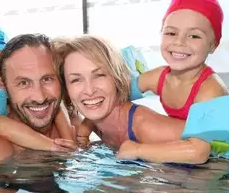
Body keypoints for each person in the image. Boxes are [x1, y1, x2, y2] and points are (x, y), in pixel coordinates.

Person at [75, 0, 229, 146]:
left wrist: (137, 150)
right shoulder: (159, 77)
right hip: (185, 142)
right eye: (171, 33)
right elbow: (114, 96)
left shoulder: (209, 91)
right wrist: (87, 125)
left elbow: (199, 149)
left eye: (194, 36)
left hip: (220, 155)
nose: (179, 42)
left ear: (213, 45)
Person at [53, 34, 213, 164]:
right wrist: (82, 139)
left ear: (117, 78)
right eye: (76, 80)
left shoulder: (145, 126)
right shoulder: (97, 119)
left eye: (99, 75)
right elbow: (88, 122)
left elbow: (210, 146)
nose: (89, 90)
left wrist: (138, 150)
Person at [0, 24, 78, 164]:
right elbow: (6, 128)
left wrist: (69, 140)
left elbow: (58, 105)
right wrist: (52, 146)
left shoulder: (7, 93)